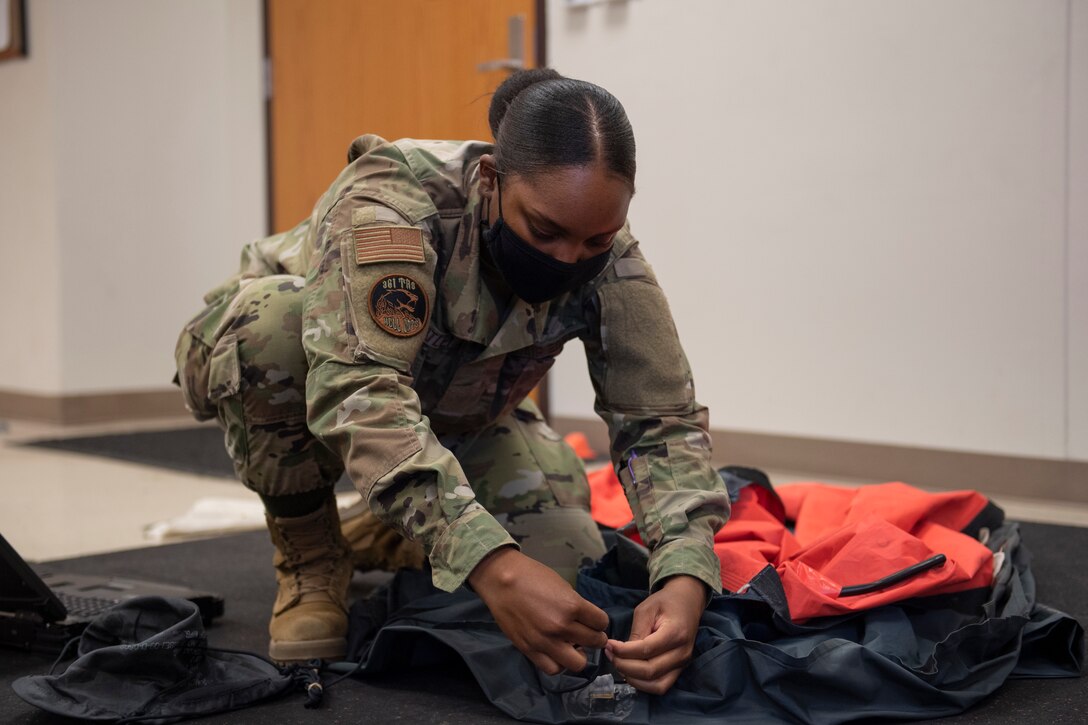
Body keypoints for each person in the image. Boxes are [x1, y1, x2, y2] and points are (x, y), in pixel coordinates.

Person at [173, 68, 730, 695]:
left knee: (568, 565)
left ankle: (382, 528)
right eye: (544, 232)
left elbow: (661, 421)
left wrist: (683, 572)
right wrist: (489, 563)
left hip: (458, 408)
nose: (568, 258)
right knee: (271, 323)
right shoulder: (392, 201)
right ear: (491, 181)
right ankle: (311, 555)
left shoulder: (609, 253)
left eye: (594, 239)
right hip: (305, 382)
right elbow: (360, 391)